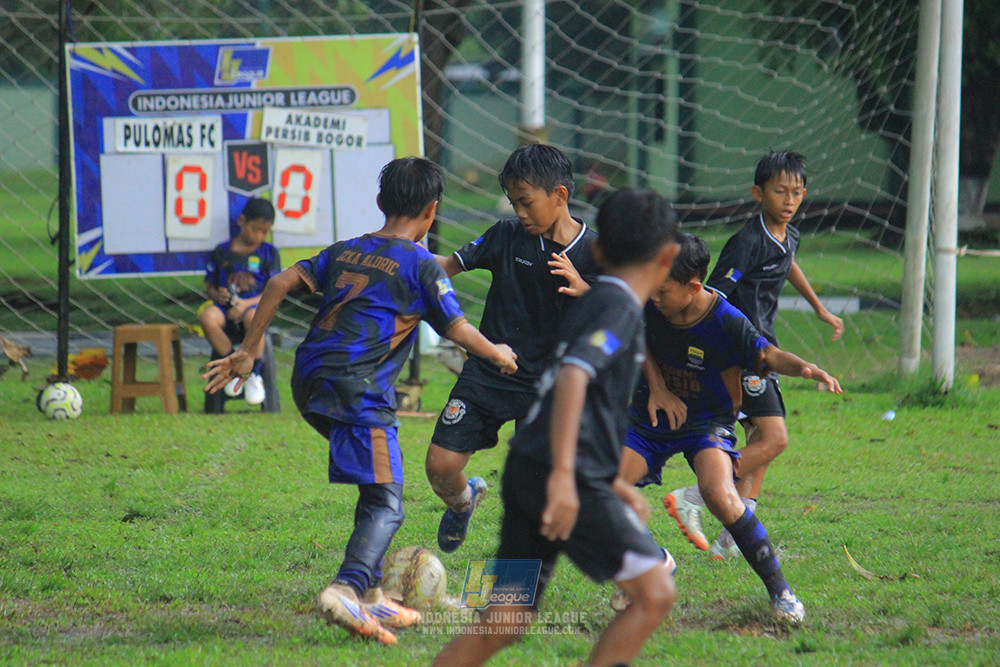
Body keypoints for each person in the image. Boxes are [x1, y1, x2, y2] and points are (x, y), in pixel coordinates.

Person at [203, 157, 517, 645]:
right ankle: (348, 588)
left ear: (379, 203)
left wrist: (248, 350)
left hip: (309, 380)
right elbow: (457, 329)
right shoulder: (420, 265)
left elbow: (281, 281)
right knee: (388, 502)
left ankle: (372, 593)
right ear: (432, 210)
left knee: (375, 489)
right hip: (359, 387)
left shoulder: (348, 249)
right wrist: (497, 353)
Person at [432, 188, 681, 667]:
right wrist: (568, 477)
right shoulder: (620, 307)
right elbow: (573, 376)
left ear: (600, 250)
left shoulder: (597, 300)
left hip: (530, 465)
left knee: (506, 619)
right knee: (655, 594)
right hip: (561, 475)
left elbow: (589, 401)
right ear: (669, 257)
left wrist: (608, 480)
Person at [619, 233, 842, 624]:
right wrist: (657, 387)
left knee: (720, 494)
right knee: (604, 492)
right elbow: (637, 337)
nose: (653, 297)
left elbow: (769, 354)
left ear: (692, 286)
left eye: (662, 291)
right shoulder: (651, 301)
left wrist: (804, 368)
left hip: (706, 421)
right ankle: (656, 564)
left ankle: (781, 593)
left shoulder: (726, 320)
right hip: (651, 418)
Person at [666, 151, 845, 560]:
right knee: (775, 438)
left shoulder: (789, 235)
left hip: (765, 348)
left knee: (760, 441)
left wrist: (819, 308)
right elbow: (713, 295)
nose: (789, 200)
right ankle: (692, 495)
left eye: (797, 192)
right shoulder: (746, 242)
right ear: (758, 193)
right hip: (746, 351)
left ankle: (729, 541)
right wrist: (718, 351)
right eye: (780, 191)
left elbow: (788, 263)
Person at [426, 143, 602, 554]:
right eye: (513, 203)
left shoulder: (595, 253)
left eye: (526, 202)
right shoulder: (506, 235)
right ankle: (463, 502)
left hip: (552, 387)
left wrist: (586, 291)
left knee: (533, 497)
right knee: (440, 467)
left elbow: (627, 317)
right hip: (490, 370)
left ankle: (516, 593)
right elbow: (444, 266)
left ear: (560, 196)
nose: (519, 213)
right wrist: (398, 254)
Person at [200, 197, 281, 406]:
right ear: (242, 221)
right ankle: (231, 366)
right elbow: (209, 286)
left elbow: (274, 293)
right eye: (255, 229)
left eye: (265, 232)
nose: (259, 236)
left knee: (255, 317)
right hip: (226, 310)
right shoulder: (222, 251)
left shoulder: (269, 253)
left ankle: (255, 373)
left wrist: (245, 305)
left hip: (253, 307)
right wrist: (217, 295)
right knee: (207, 317)